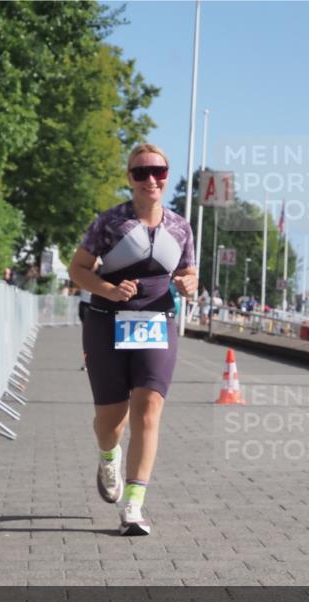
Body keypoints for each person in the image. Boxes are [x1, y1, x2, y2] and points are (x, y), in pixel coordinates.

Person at [68, 144, 197, 536]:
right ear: (130, 178)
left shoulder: (180, 226)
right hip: (107, 321)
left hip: (157, 321)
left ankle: (134, 505)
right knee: (112, 420)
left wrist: (190, 284)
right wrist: (107, 289)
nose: (151, 179)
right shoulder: (110, 222)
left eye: (158, 171)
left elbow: (190, 273)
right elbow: (78, 269)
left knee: (148, 410)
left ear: (167, 174)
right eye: (141, 173)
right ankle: (109, 457)